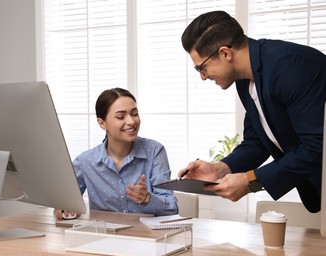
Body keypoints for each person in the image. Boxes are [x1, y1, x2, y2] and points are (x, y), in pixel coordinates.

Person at [178, 10, 326, 213]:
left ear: (225, 53)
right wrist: (220, 169)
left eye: (201, 68)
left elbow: (318, 146)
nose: (203, 77)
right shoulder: (244, 81)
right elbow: (257, 142)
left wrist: (250, 181)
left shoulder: (291, 67)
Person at [55, 88, 178, 219]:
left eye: (135, 113)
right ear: (102, 123)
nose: (131, 121)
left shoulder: (154, 151)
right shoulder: (86, 161)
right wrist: (64, 208)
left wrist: (147, 199)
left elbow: (172, 208)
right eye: (120, 116)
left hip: (146, 237)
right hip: (103, 236)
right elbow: (63, 202)